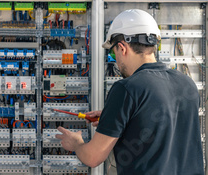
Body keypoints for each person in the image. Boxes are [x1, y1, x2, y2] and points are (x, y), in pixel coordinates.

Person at [55, 9, 204, 174]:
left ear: (122, 48)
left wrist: (76, 143)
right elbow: (162, 125)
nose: (116, 60)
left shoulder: (126, 88)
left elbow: (93, 157)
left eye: (114, 53)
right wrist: (117, 118)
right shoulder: (187, 83)